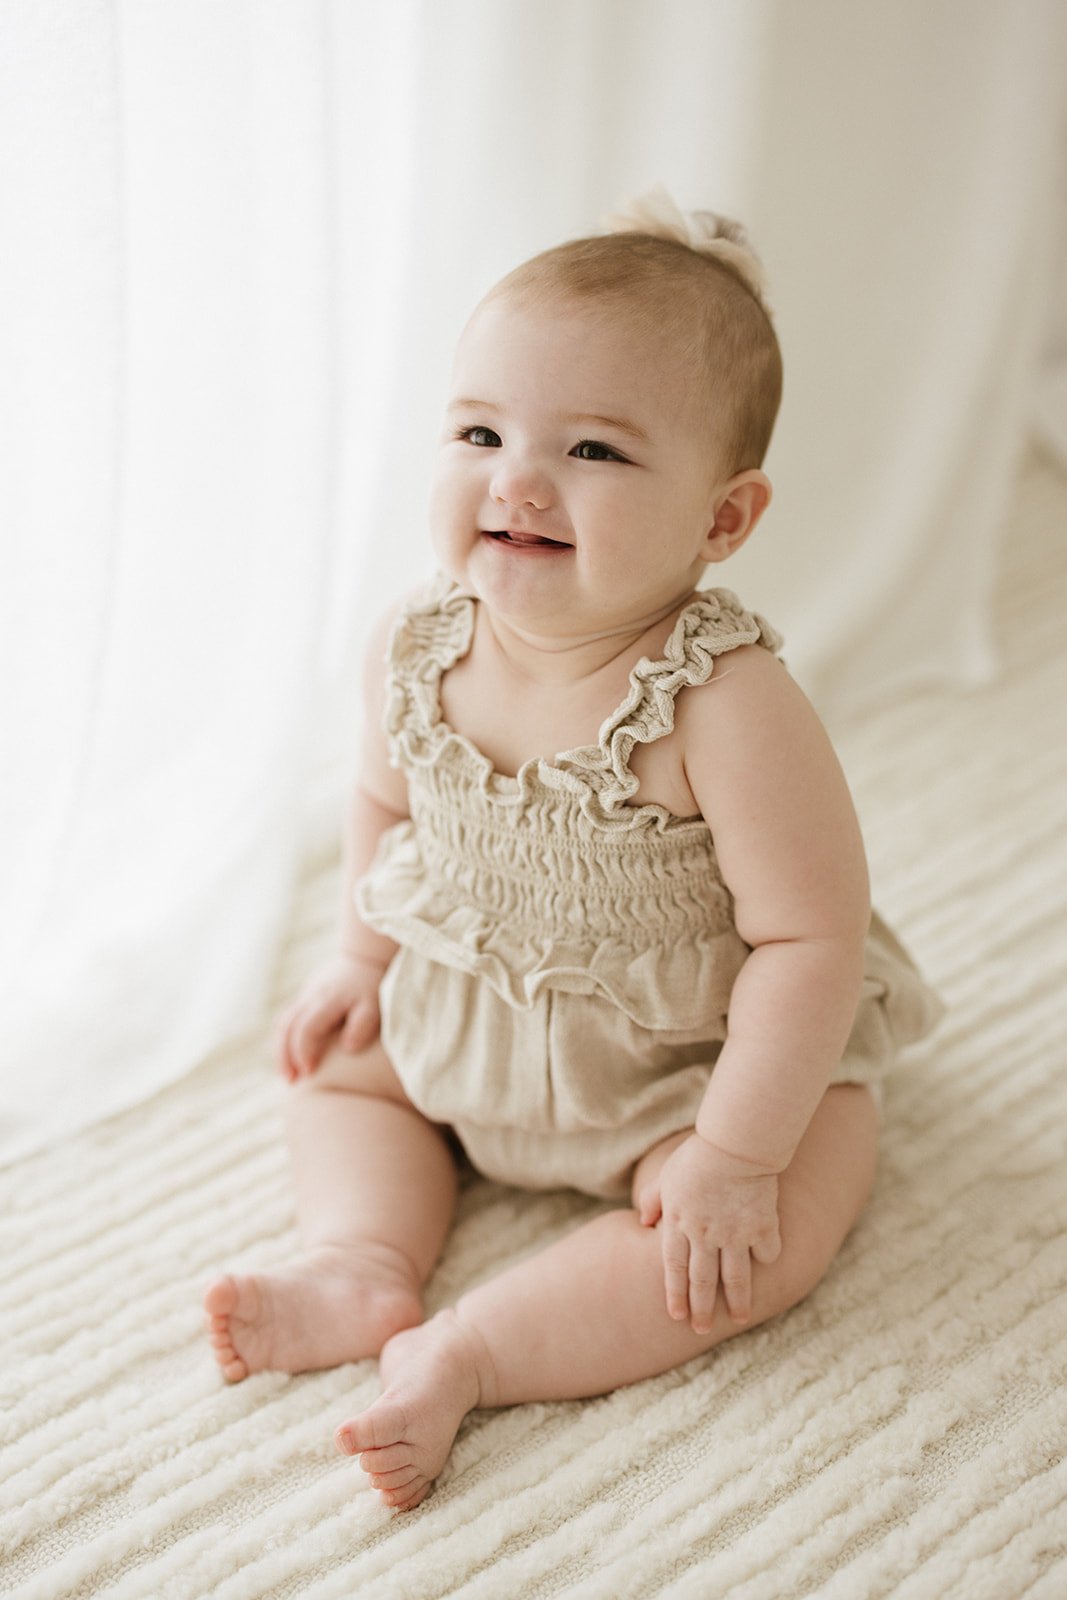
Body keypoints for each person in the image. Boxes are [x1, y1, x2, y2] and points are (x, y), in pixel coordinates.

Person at [203, 189, 944, 1512]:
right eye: (480, 432)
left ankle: (476, 1350)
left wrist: (734, 1156)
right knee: (338, 1069)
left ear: (723, 521)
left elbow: (811, 939)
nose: (517, 479)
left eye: (593, 449)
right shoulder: (415, 645)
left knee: (770, 1228)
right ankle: (360, 1259)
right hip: (463, 1015)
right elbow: (382, 807)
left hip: (683, 1073)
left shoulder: (727, 705)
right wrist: (361, 958)